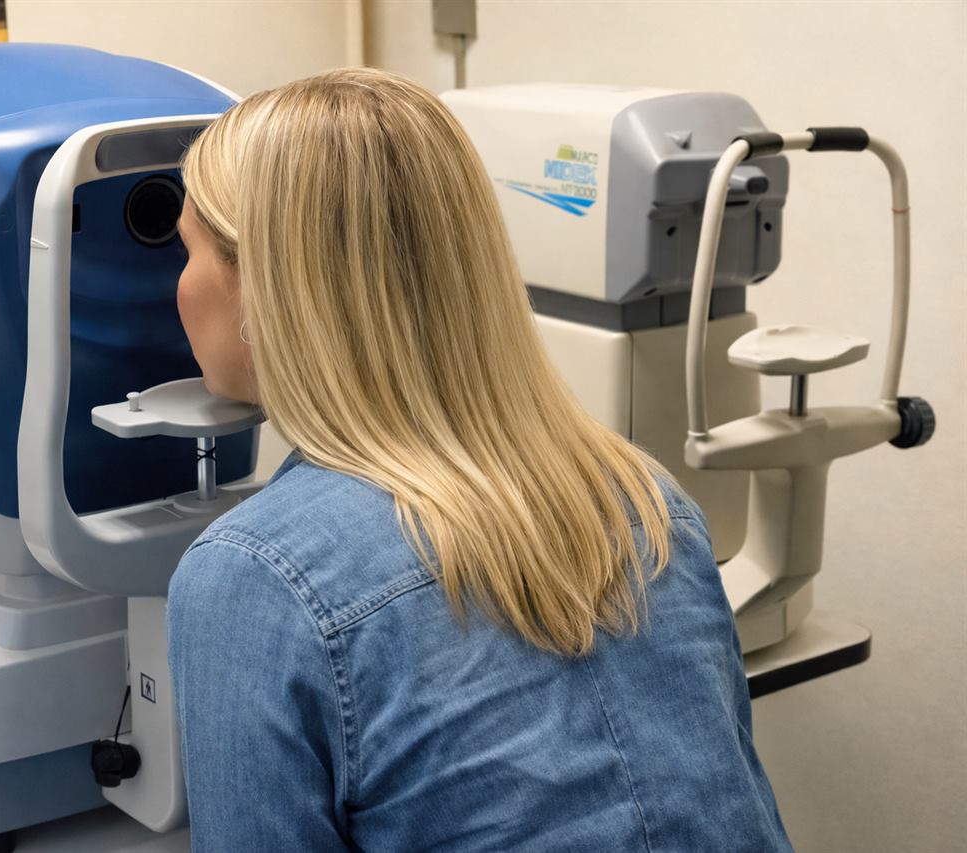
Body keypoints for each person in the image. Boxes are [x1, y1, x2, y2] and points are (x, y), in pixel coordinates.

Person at [166, 67, 791, 852]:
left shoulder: (255, 580)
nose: (178, 286)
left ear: (263, 286)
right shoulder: (649, 502)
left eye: (186, 250)